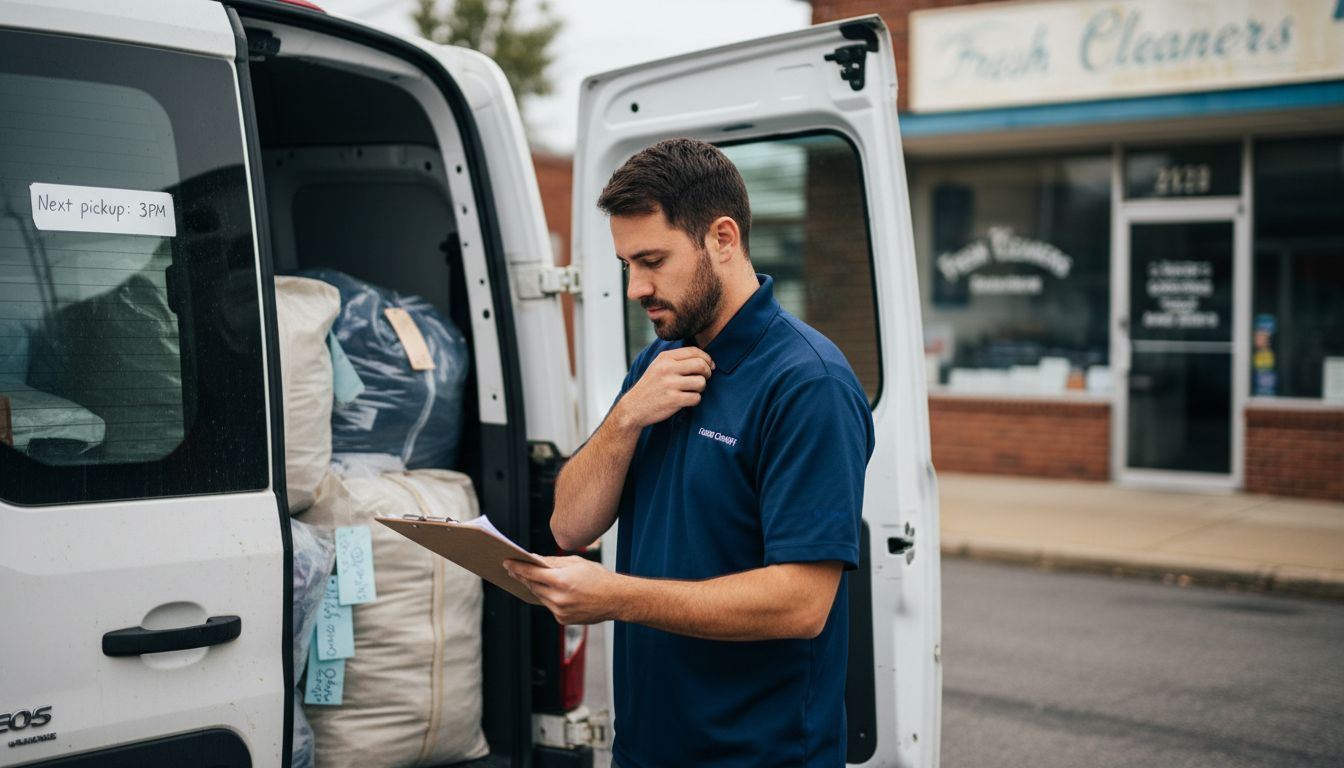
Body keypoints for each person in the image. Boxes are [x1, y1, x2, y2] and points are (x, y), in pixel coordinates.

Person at [504, 137, 874, 767]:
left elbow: (802, 602)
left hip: (759, 757)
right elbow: (569, 525)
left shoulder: (808, 383)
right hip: (647, 749)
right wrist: (625, 418)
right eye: (626, 265)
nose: (634, 288)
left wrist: (615, 596)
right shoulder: (659, 359)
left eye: (652, 260)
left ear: (723, 239)